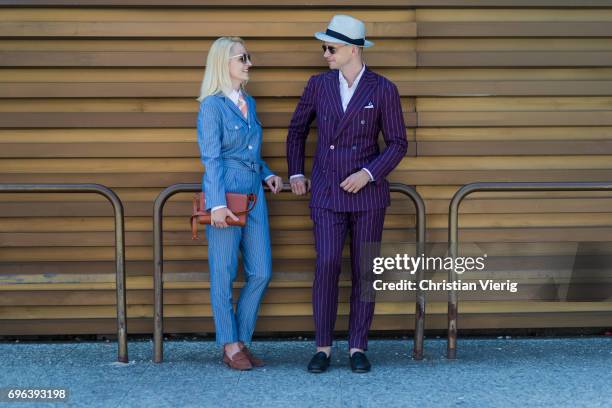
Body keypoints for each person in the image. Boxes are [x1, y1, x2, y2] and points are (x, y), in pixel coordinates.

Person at [286, 15, 408, 373]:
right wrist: (296, 172)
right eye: (324, 47)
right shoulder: (318, 85)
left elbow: (399, 143)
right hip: (325, 191)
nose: (325, 54)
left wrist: (369, 173)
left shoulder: (383, 88)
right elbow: (296, 131)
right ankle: (323, 347)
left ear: (352, 50)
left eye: (331, 48)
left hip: (368, 195)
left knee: (364, 271)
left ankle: (357, 346)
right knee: (326, 265)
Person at [196, 36, 283, 371]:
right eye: (242, 58)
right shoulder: (211, 106)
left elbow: (251, 152)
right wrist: (216, 204)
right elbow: (212, 158)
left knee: (261, 271)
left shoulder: (250, 103)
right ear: (224, 63)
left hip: (254, 193)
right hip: (226, 192)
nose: (249, 63)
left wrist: (267, 173)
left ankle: (240, 339)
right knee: (223, 271)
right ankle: (230, 344)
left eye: (249, 57)